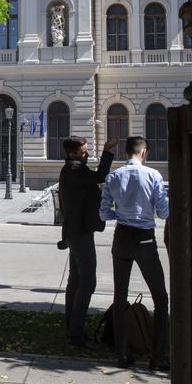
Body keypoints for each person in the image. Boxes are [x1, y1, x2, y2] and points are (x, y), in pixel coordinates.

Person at [100, 136, 170, 372]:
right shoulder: (154, 176)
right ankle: (158, 355)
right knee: (160, 297)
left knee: (119, 297)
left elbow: (104, 213)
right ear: (144, 152)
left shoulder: (114, 176)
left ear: (126, 152)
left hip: (122, 238)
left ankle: (123, 352)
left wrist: (121, 215)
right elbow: (162, 211)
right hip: (145, 238)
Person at [57, 135, 117, 350]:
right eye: (84, 151)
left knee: (75, 281)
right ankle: (75, 335)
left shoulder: (72, 169)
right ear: (73, 154)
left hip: (76, 231)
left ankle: (72, 329)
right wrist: (108, 151)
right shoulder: (74, 169)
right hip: (80, 233)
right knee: (87, 282)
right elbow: (100, 176)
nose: (87, 154)